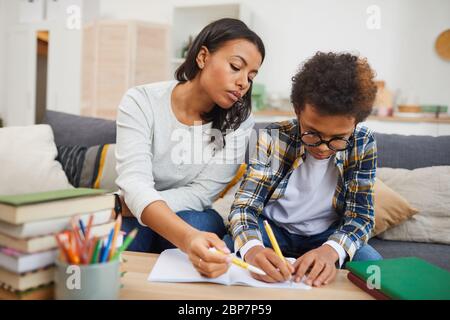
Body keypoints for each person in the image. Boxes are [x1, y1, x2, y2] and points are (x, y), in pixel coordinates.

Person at [115, 18, 265, 279]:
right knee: (124, 241)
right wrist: (142, 204)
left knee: (193, 223)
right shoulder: (141, 101)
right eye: (235, 67)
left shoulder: (240, 123)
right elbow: (134, 181)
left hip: (190, 214)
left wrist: (141, 205)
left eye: (251, 76)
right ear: (203, 56)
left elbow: (201, 194)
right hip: (135, 211)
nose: (243, 83)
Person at [226, 52, 382, 286]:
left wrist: (330, 252)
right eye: (312, 133)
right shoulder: (274, 136)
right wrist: (253, 250)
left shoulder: (363, 142)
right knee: (228, 251)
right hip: (273, 230)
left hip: (326, 236)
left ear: (356, 124)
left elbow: (360, 216)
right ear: (298, 110)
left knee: (374, 266)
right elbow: (245, 206)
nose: (322, 148)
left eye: (338, 138)